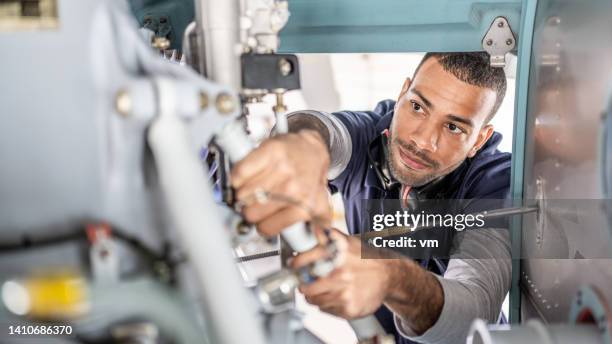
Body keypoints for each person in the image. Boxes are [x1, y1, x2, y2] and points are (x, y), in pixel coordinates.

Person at [230, 52, 512, 344]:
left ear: (478, 139)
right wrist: (304, 146)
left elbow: (477, 308)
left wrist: (392, 278)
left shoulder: (494, 181)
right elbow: (325, 130)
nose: (422, 140)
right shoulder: (373, 132)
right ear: (403, 93)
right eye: (417, 107)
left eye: (453, 127)